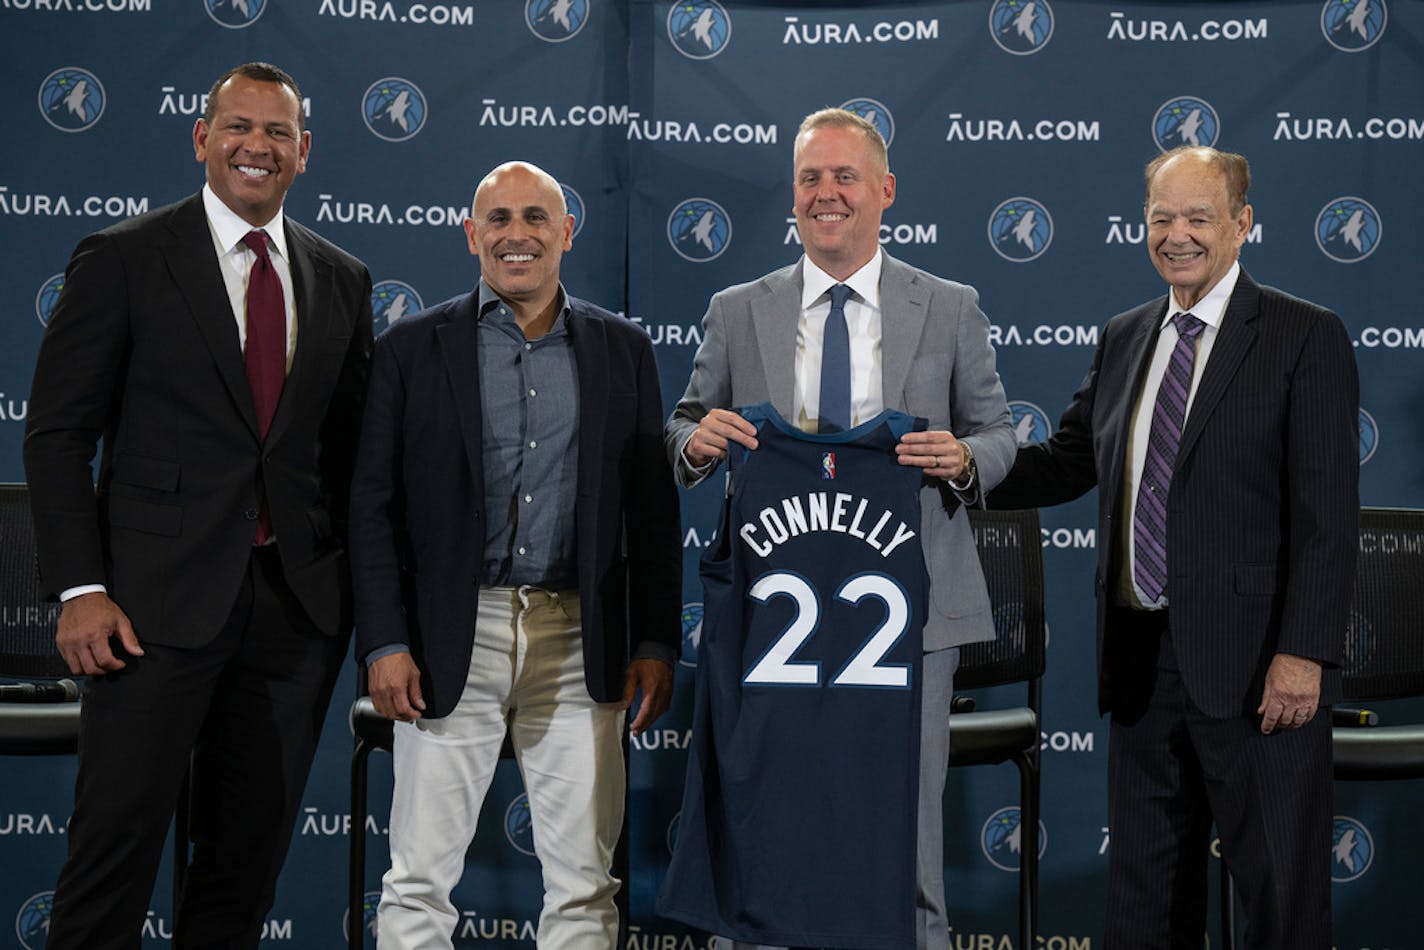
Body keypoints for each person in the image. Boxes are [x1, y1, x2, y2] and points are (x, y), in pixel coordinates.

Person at [23, 62, 373, 948]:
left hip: (293, 621)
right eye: (239, 127)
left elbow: (347, 461)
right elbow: (58, 437)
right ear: (201, 139)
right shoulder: (125, 258)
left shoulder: (343, 280)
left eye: (277, 133)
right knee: (111, 864)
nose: (257, 145)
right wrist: (77, 589)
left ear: (304, 153)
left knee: (240, 878)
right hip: (145, 613)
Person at [662, 108, 1015, 950]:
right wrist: (696, 444)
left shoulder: (952, 305)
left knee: (904, 842)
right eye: (811, 179)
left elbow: (1002, 437)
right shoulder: (739, 308)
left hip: (912, 615)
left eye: (844, 176)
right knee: (766, 829)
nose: (827, 194)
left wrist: (961, 457)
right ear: (793, 196)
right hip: (772, 617)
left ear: (884, 191)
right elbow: (681, 427)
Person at [989, 145, 1358, 949]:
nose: (1178, 235)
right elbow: (1066, 460)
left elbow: (1327, 518)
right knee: (1146, 902)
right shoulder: (1126, 335)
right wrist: (963, 466)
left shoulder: (1303, 335)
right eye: (1162, 218)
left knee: (1282, 904)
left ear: (1242, 224)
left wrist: (1304, 654)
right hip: (1141, 661)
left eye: (1199, 217)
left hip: (1259, 666)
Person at [349, 160, 681, 949]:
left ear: (567, 232)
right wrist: (386, 641)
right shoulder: (407, 349)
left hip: (579, 636)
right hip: (446, 635)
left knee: (584, 887)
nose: (517, 236)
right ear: (472, 236)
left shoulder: (623, 350)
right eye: (498, 220)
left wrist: (655, 640)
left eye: (536, 218)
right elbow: (370, 509)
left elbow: (652, 511)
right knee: (417, 881)